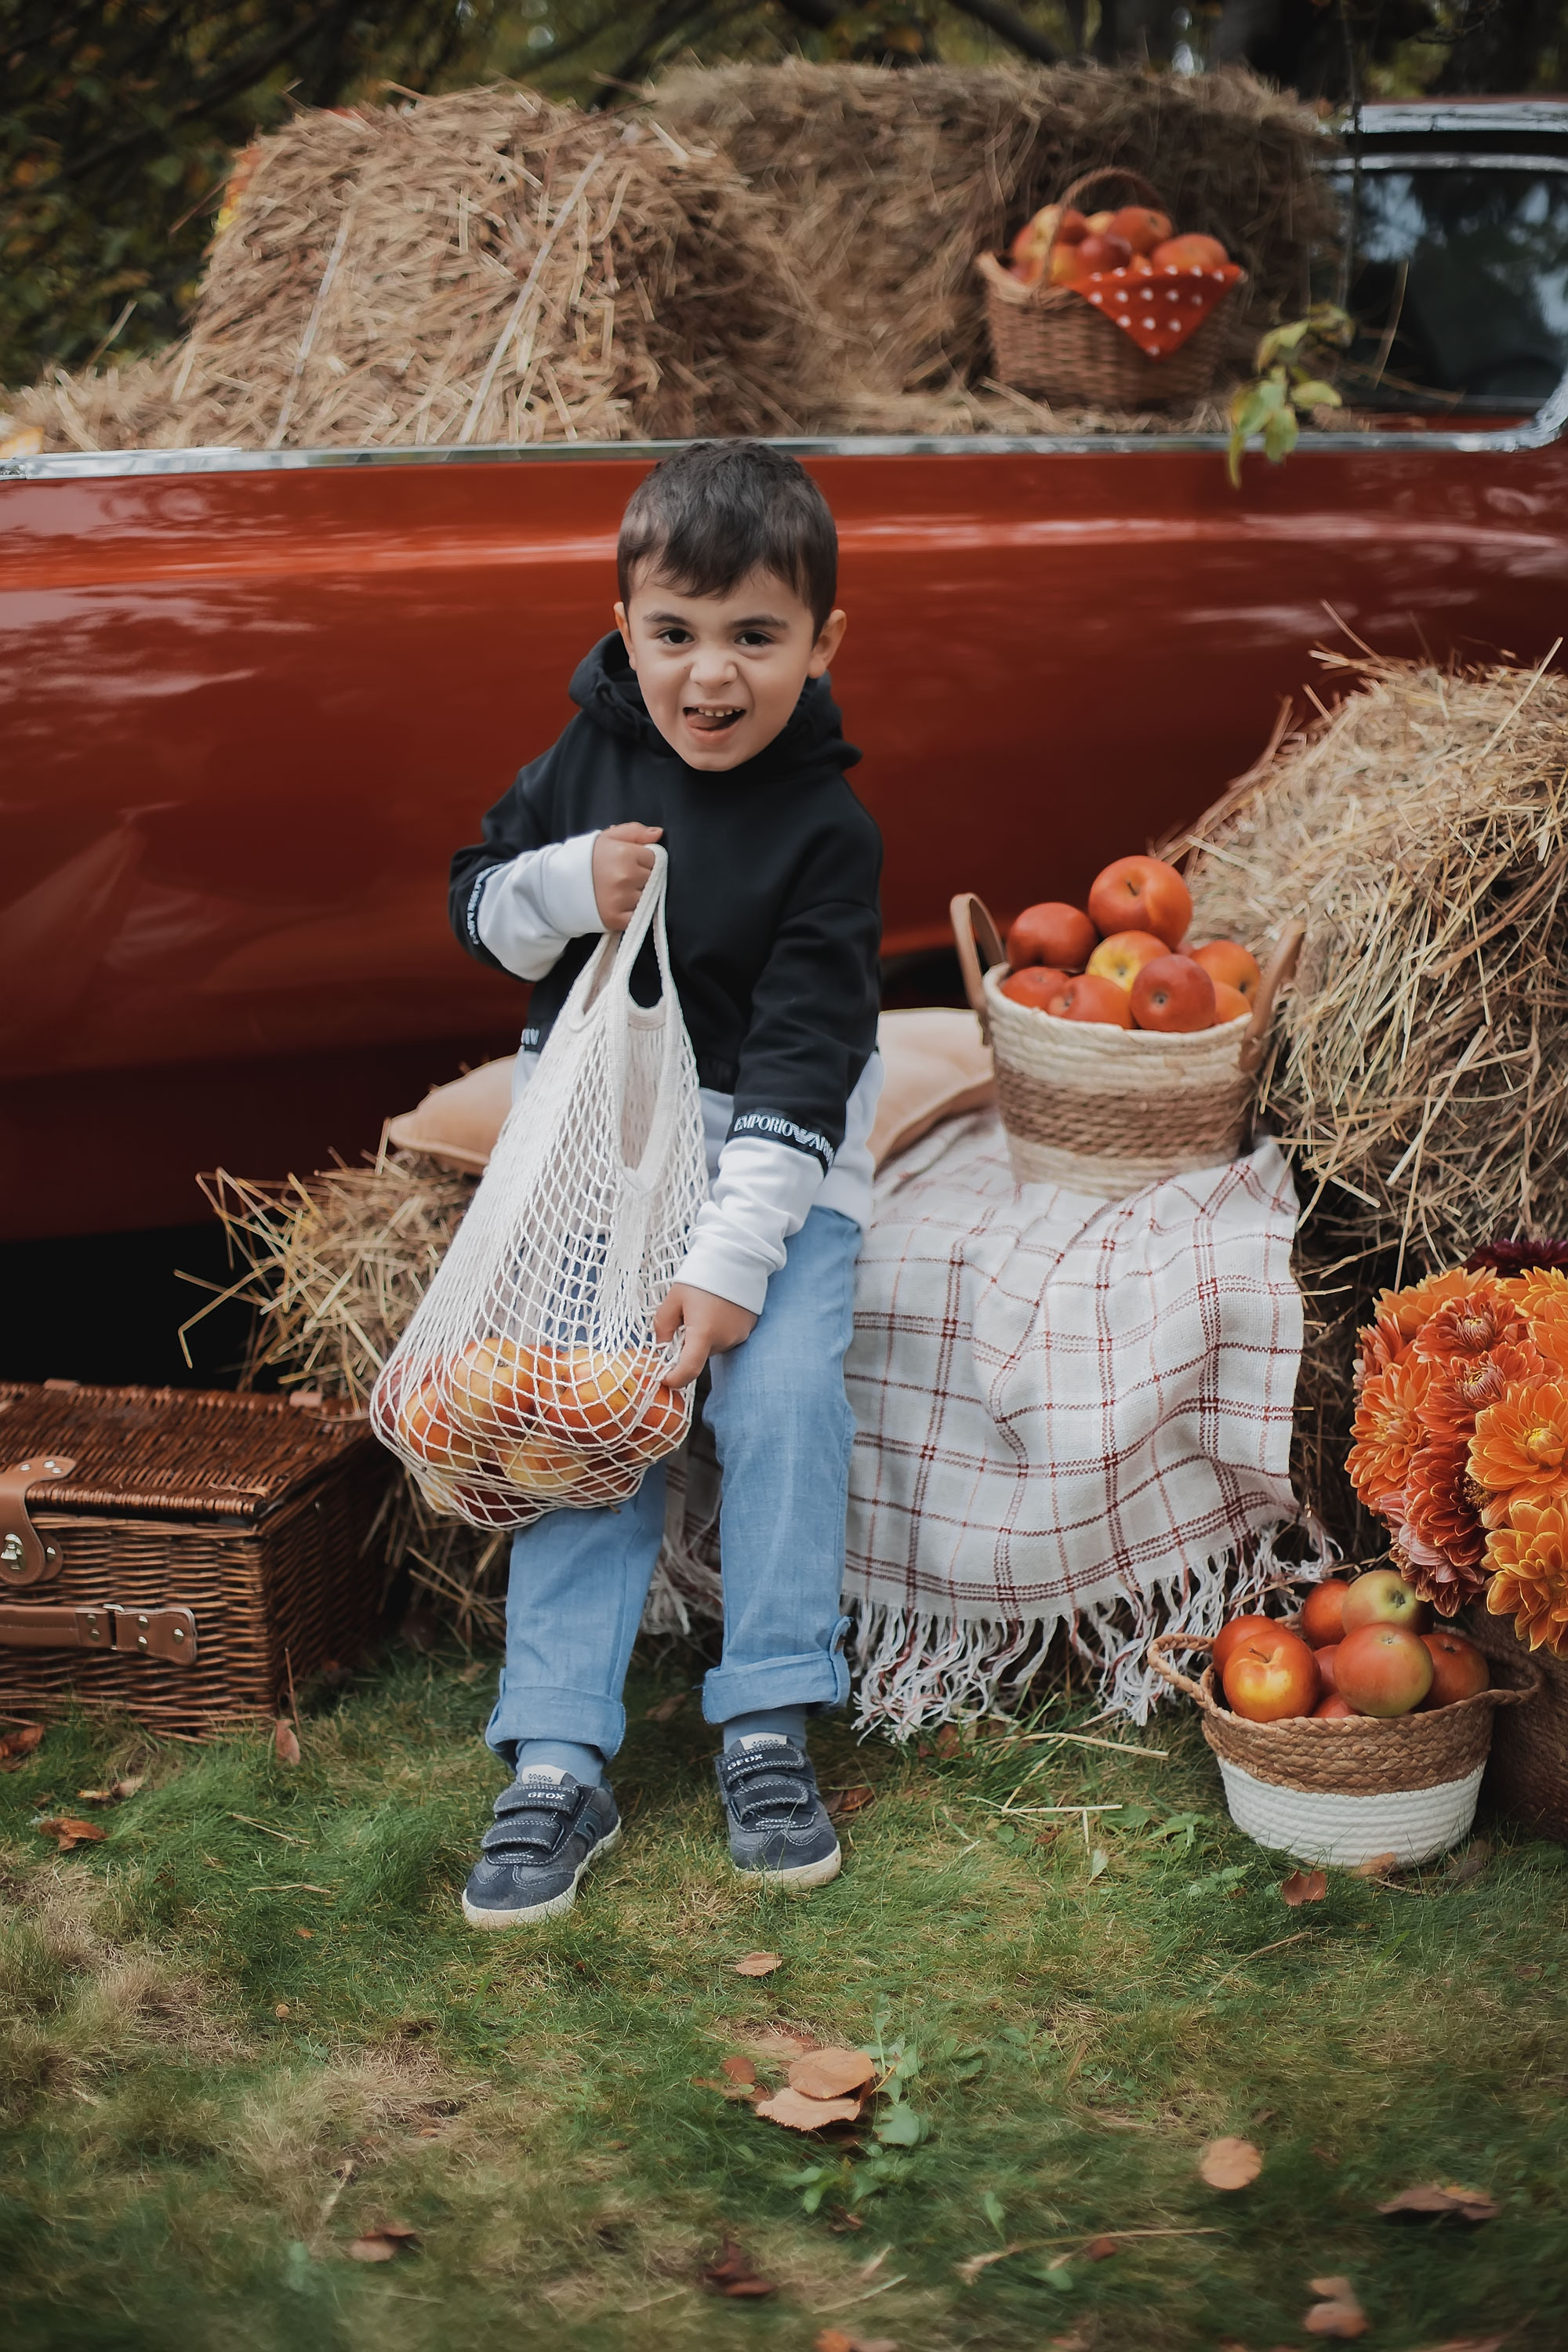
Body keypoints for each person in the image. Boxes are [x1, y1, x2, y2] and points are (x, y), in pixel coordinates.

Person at [447, 441, 883, 1927]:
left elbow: (806, 1062)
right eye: (676, 632)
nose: (711, 675)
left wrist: (731, 1264)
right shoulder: (588, 756)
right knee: (587, 1410)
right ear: (626, 625)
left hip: (777, 1154)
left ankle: (766, 1712)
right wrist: (567, 884)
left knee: (778, 1397)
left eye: (756, 636)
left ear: (822, 644)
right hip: (607, 1145)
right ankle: (558, 1753)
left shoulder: (829, 831)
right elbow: (479, 909)